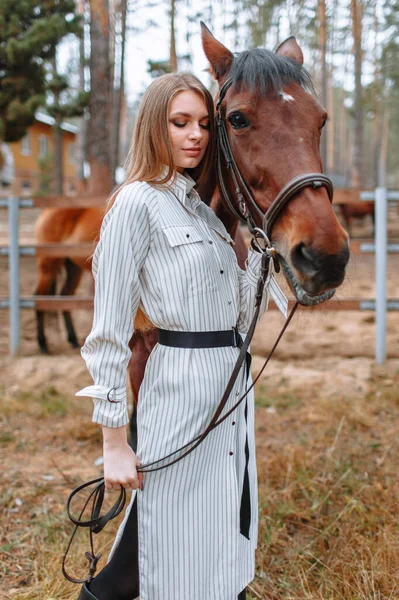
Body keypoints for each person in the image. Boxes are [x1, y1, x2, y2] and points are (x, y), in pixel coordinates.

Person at [75, 72, 271, 600]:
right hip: (177, 388)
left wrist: (261, 254)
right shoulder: (135, 204)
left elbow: (237, 312)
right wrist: (114, 441)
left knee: (223, 527)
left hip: (231, 387)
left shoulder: (204, 213)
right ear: (153, 126)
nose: (197, 135)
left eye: (205, 124)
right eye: (180, 122)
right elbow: (108, 334)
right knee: (168, 537)